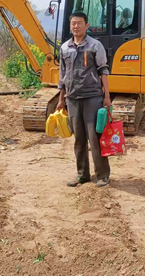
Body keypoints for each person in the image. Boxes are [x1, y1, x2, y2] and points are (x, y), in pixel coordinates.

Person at [57, 12, 112, 187]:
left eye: (79, 23)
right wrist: (61, 99)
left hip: (92, 97)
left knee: (94, 137)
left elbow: (103, 70)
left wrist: (107, 96)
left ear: (87, 26)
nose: (76, 26)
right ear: (70, 26)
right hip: (72, 98)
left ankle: (102, 175)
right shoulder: (65, 48)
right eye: (73, 23)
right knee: (79, 138)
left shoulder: (95, 46)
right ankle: (82, 175)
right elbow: (62, 76)